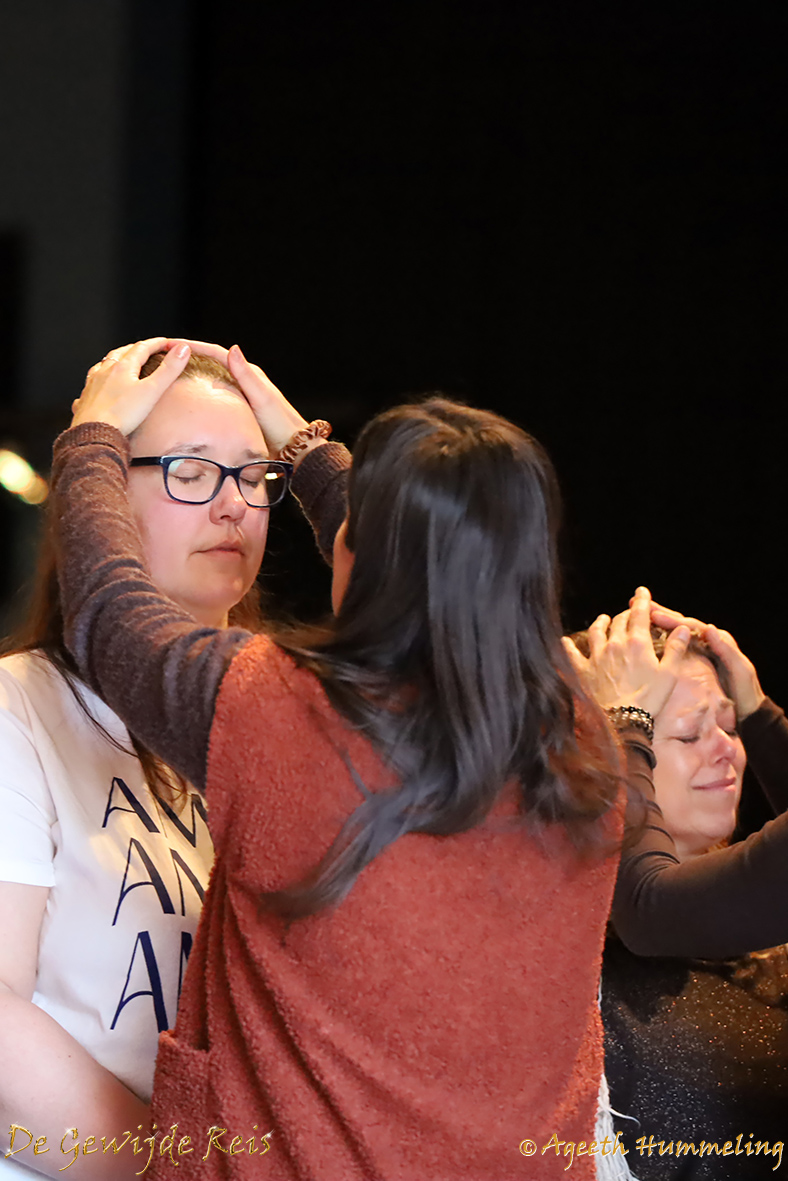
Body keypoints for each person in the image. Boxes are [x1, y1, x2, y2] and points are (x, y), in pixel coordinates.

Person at [48, 338, 788, 1180]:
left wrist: (91, 438)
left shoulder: (273, 708)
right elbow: (439, 577)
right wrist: (312, 455)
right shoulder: (586, 739)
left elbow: (107, 609)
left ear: (355, 552)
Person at [0, 344, 349, 1180]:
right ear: (99, 500)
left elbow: (439, 605)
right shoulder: (21, 705)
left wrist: (311, 453)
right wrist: (174, 1169)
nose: (234, 505)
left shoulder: (294, 717)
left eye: (256, 475)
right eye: (190, 472)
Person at [596, 610, 788, 1179]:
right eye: (688, 733)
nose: (728, 748)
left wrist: (626, 721)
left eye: (730, 726)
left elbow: (652, 907)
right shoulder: (568, 971)